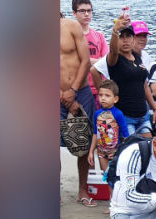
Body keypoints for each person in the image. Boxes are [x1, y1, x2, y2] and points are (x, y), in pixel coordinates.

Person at [60, 16, 96, 206]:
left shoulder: (71, 26)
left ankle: (82, 189)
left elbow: (86, 61)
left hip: (80, 91)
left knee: (84, 142)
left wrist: (72, 91)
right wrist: (63, 95)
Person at [107, 16, 156, 137]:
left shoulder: (137, 57)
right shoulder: (115, 60)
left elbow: (144, 85)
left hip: (143, 115)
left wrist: (154, 109)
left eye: (128, 36)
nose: (125, 40)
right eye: (121, 37)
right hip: (125, 116)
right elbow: (113, 51)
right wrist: (115, 31)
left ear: (133, 39)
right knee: (130, 150)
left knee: (148, 149)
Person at [87, 80, 130, 176]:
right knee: (105, 177)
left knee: (114, 178)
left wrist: (121, 153)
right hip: (101, 152)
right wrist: (91, 152)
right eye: (101, 95)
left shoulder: (118, 114)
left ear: (115, 99)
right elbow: (95, 133)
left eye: (107, 95)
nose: (103, 98)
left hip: (115, 152)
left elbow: (126, 135)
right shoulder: (97, 114)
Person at [72, 0, 108, 101]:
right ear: (74, 13)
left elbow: (106, 62)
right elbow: (72, 61)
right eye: (82, 11)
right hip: (78, 89)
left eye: (89, 10)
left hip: (99, 89)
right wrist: (97, 61)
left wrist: (84, 60)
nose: (86, 14)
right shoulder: (70, 37)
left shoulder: (99, 36)